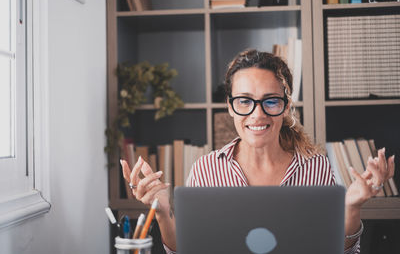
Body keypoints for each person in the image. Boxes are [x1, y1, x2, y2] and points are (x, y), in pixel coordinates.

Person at [120, 49, 395, 254]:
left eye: (271, 101)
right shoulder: (207, 169)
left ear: (286, 106)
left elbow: (340, 250)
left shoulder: (316, 167)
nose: (257, 114)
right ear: (230, 106)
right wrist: (163, 210)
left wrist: (352, 207)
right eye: (244, 101)